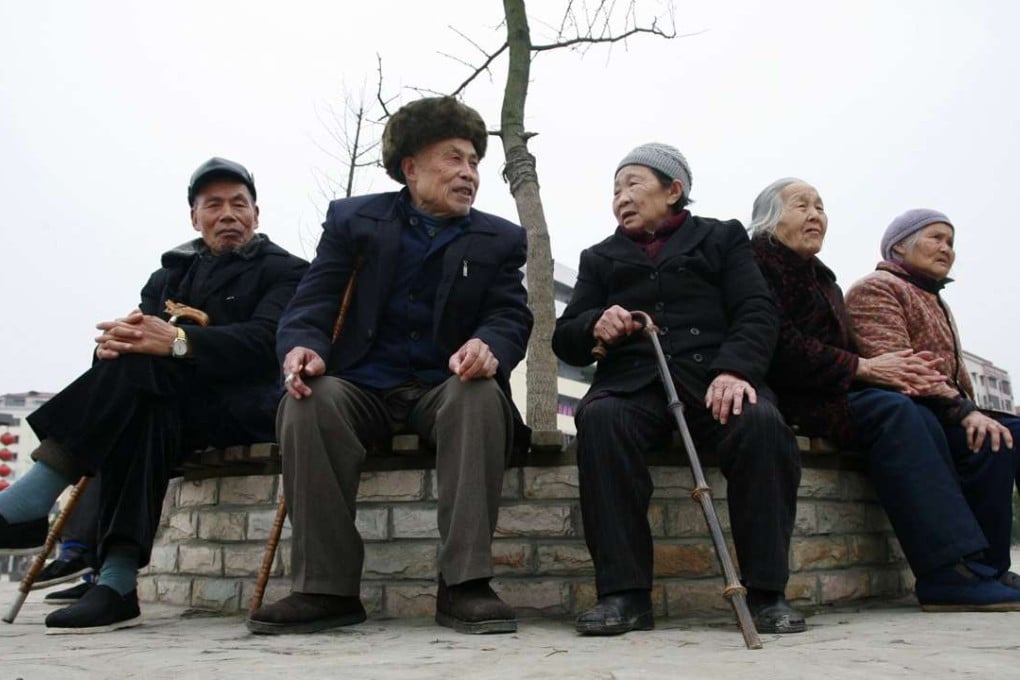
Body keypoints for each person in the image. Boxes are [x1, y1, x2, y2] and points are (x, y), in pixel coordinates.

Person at [247, 96, 533, 636]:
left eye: (474, 162)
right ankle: (325, 588)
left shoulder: (498, 238)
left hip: (444, 385)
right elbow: (313, 303)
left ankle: (464, 584)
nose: (469, 173)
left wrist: (489, 344)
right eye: (454, 159)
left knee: (480, 394)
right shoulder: (354, 221)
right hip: (362, 383)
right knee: (307, 402)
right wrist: (302, 348)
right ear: (411, 167)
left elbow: (509, 314)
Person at [0, 158, 308, 632]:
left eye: (238, 204)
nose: (228, 214)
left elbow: (267, 343)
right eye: (214, 205)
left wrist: (178, 343)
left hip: (245, 404)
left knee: (144, 382)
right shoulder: (167, 277)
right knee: (144, 402)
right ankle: (116, 586)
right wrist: (110, 346)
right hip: (167, 403)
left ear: (256, 214)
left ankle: (31, 504)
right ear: (194, 217)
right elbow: (140, 341)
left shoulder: (285, 271)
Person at [552, 143, 804, 636]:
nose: (621, 197)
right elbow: (566, 338)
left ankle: (768, 594)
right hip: (635, 384)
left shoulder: (722, 238)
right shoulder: (599, 257)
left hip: (713, 378)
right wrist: (594, 324)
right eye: (615, 189)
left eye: (633, 184)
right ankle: (623, 596)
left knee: (761, 425)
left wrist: (735, 371)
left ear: (674, 190)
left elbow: (757, 310)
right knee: (601, 421)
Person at [750, 179, 1020, 611]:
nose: (816, 214)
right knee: (899, 411)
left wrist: (965, 409)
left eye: (821, 206)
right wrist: (866, 371)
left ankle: (981, 569)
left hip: (838, 387)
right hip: (799, 396)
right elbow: (779, 344)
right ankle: (945, 572)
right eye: (802, 205)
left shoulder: (823, 280)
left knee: (999, 431)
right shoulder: (759, 266)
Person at [845, 208, 1020, 593]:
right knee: (987, 434)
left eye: (951, 242)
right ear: (899, 246)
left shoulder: (933, 297)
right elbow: (901, 366)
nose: (946, 249)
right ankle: (955, 573)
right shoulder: (877, 288)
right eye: (935, 238)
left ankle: (989, 567)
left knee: (1008, 433)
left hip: (940, 407)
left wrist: (972, 412)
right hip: (906, 409)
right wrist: (964, 411)